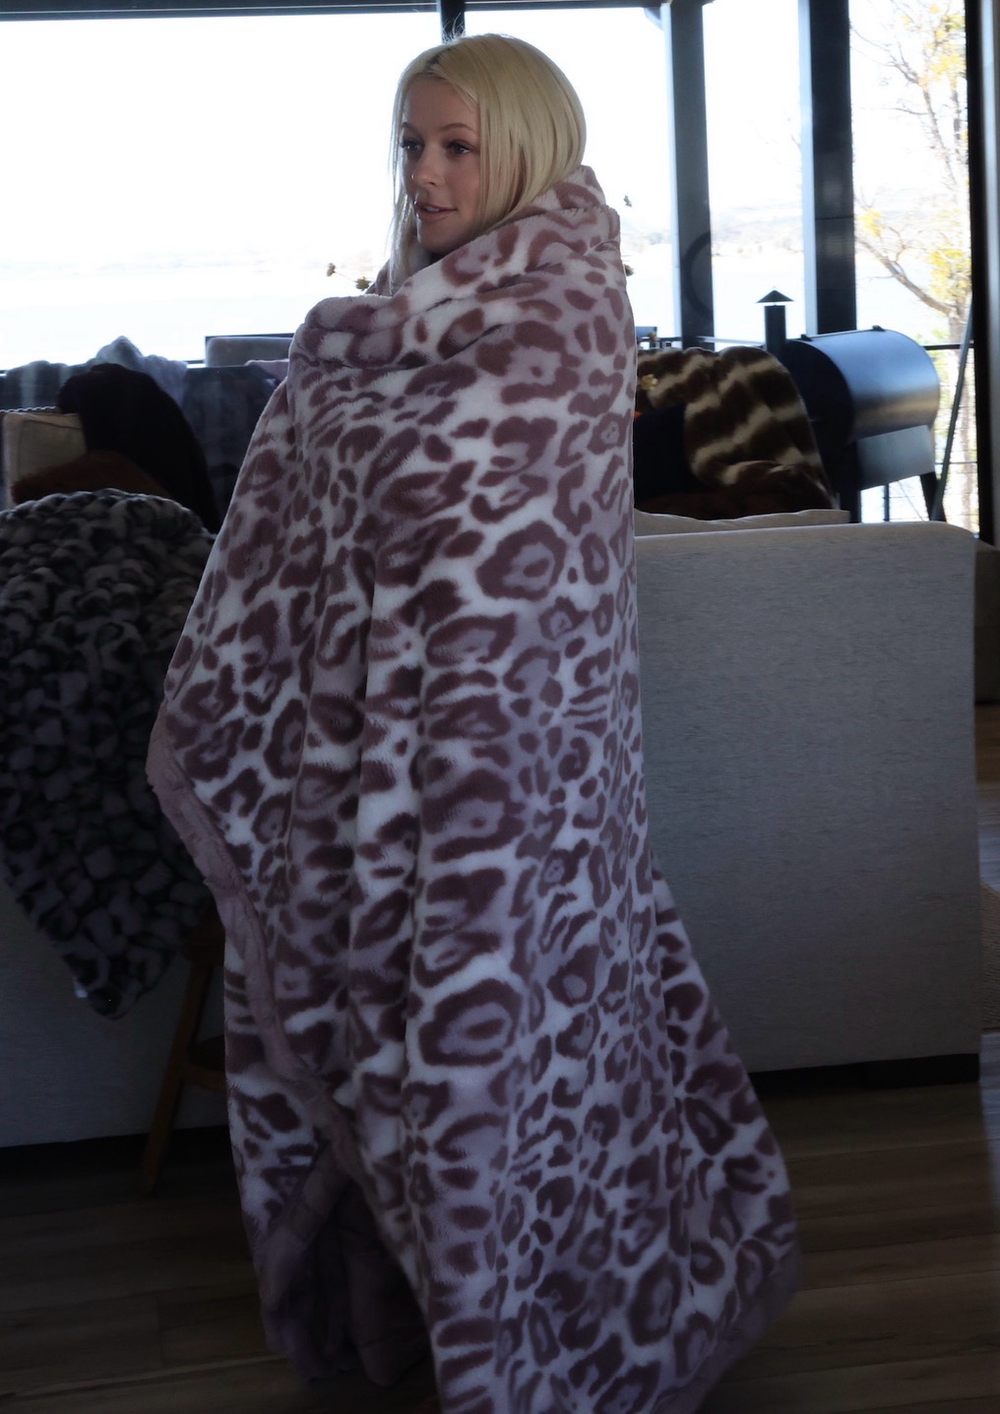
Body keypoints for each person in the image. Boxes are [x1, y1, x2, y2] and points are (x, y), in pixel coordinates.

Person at [147, 32, 799, 1414]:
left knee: (486, 1059)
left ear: (526, 151)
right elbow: (315, 539)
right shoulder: (390, 322)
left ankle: (521, 1339)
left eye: (458, 147)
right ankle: (414, 1314)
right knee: (388, 1042)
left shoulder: (559, 320)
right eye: (413, 146)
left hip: (512, 779)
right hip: (370, 766)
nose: (427, 176)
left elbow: (505, 577)